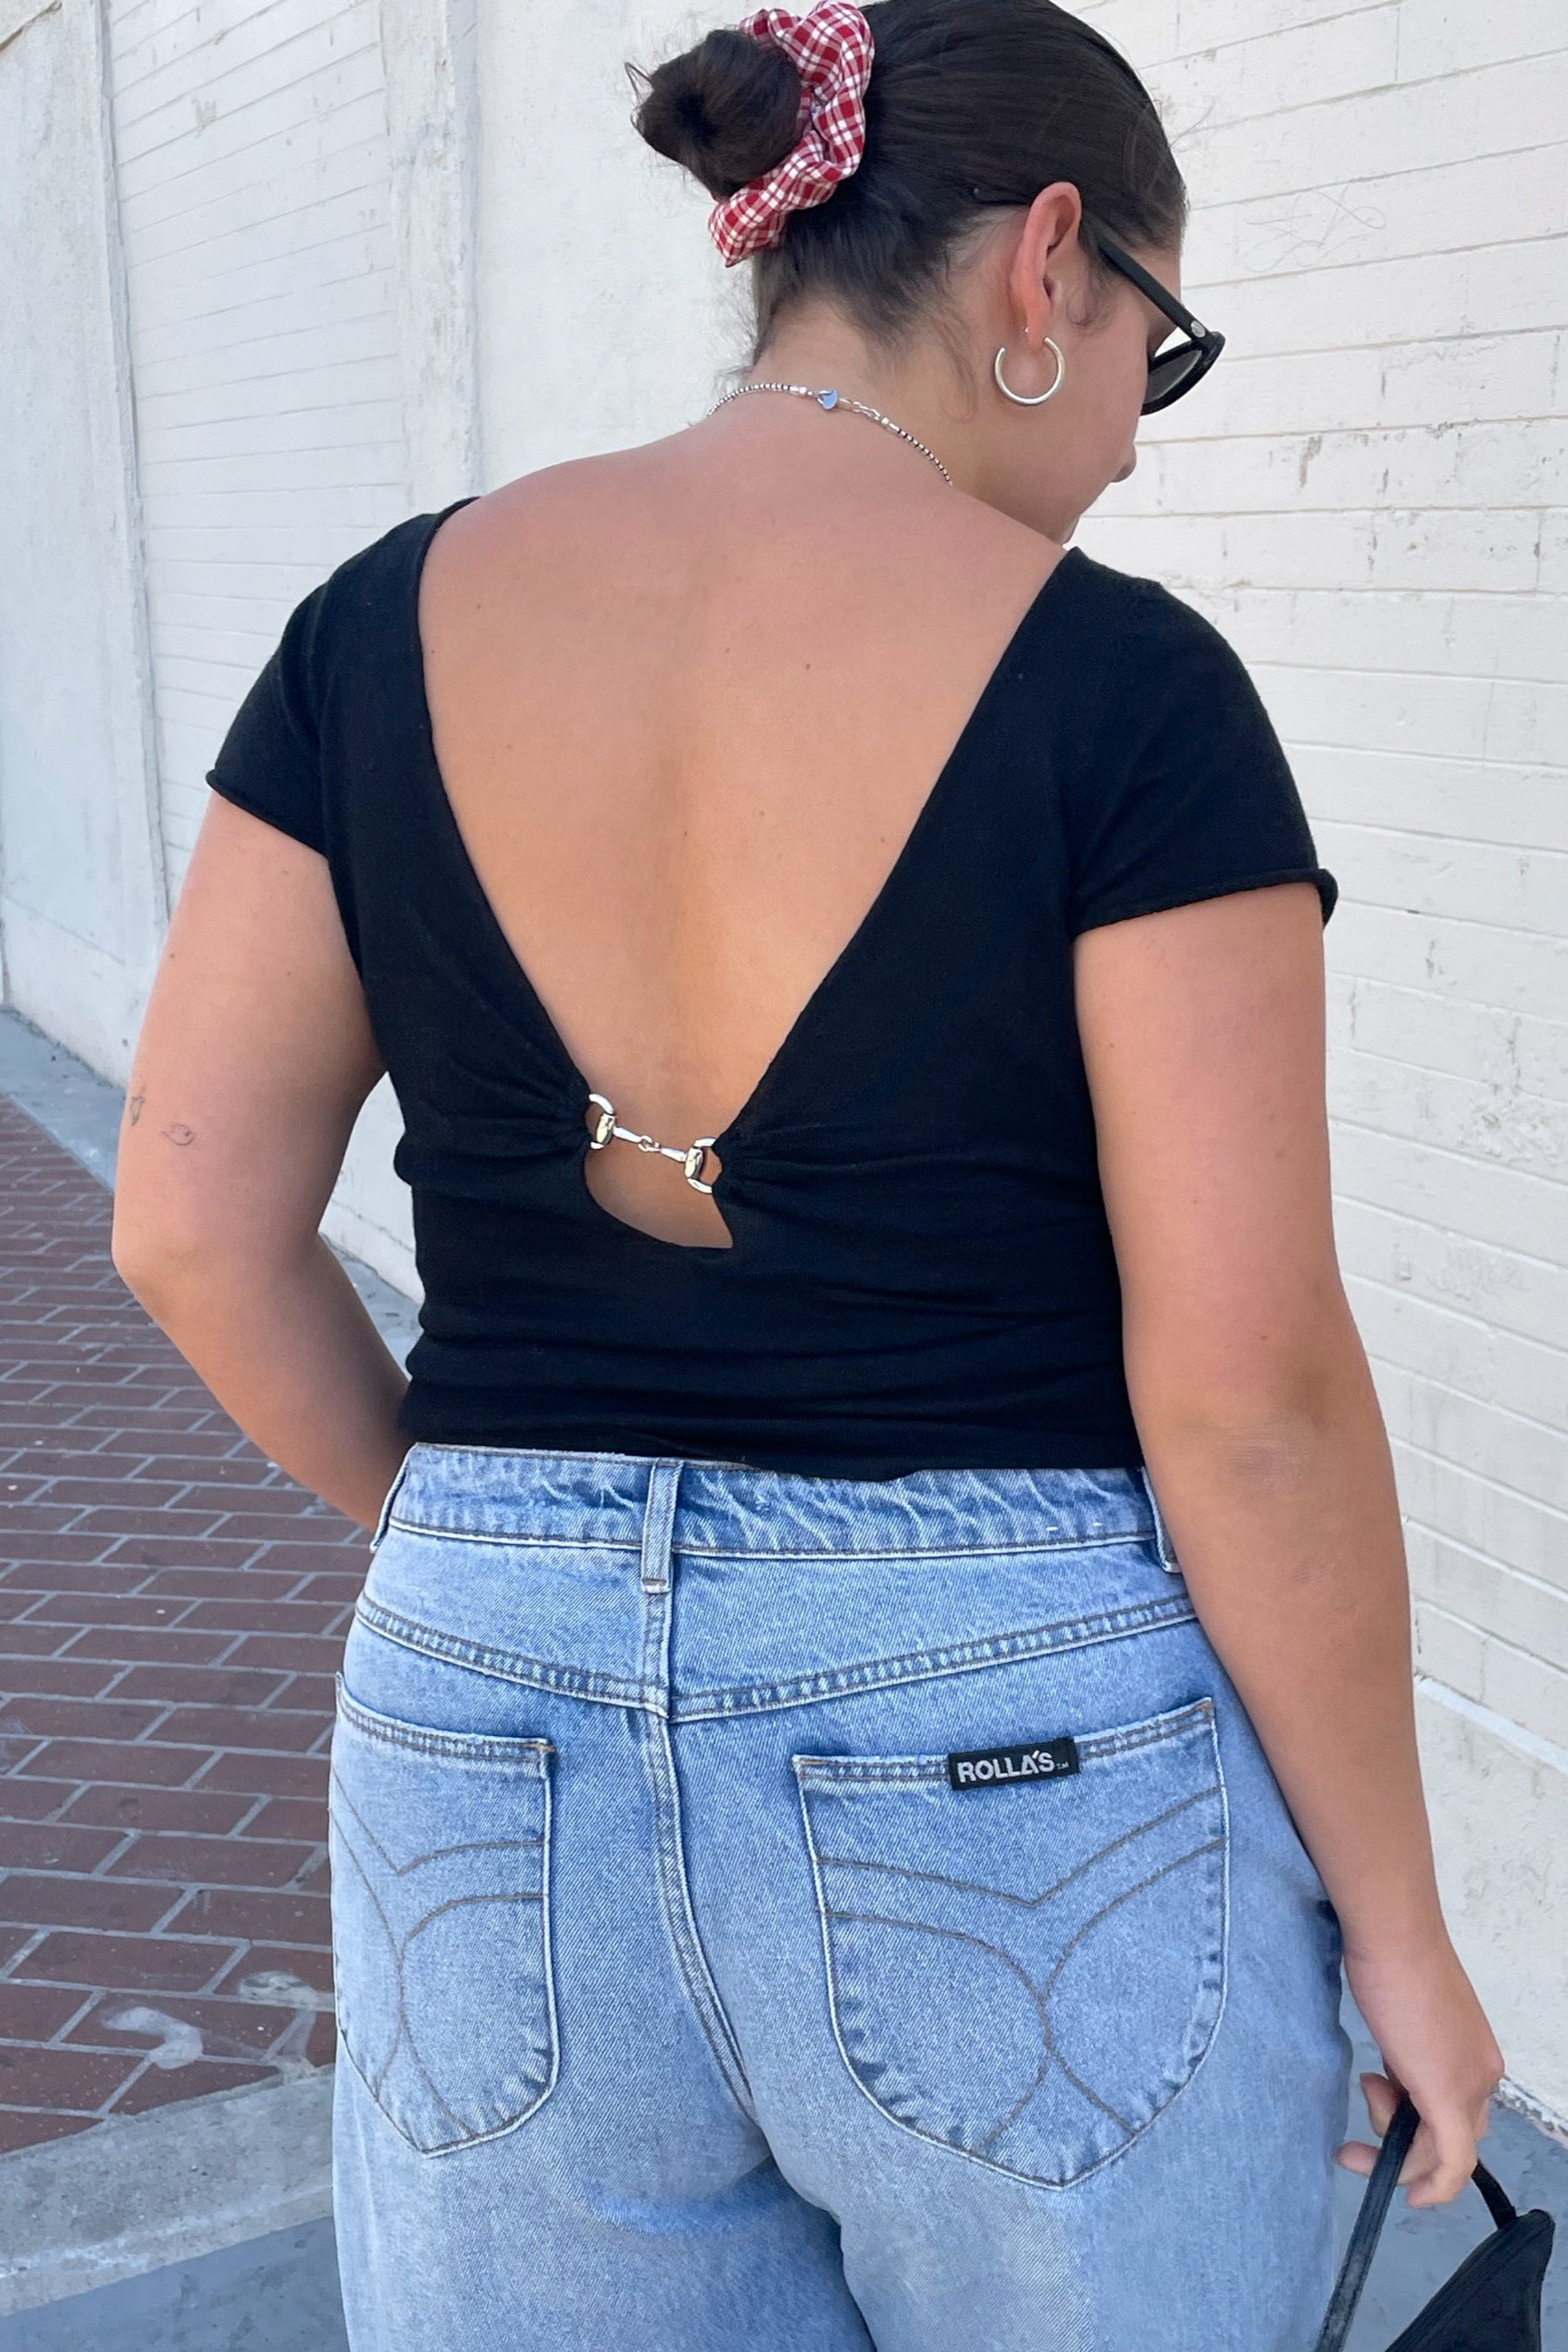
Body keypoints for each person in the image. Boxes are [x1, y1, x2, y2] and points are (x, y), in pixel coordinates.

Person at [112, 1, 1504, 2345]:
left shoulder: (370, 630)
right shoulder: (1129, 694)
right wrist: (1403, 1923)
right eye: (1159, 355)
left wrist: (507, 1549)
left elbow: (185, 1226)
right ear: (1047, 263)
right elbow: (1248, 1397)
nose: (1134, 442)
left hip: (480, 1716)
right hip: (1010, 1743)